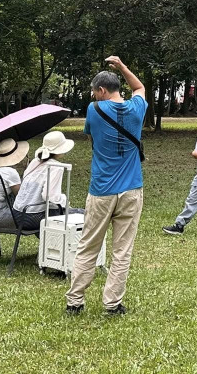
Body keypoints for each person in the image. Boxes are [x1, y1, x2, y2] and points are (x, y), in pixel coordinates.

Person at [66, 56, 146, 317]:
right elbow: (139, 88)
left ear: (101, 91)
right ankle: (112, 304)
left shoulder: (94, 110)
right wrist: (123, 66)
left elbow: (89, 135)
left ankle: (75, 302)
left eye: (94, 91)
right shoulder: (137, 108)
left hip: (101, 190)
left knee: (88, 245)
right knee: (122, 250)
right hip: (132, 190)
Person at [12, 131, 82, 232]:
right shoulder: (56, 167)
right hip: (32, 217)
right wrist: (64, 200)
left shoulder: (35, 162)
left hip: (18, 215)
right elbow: (50, 196)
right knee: (82, 213)